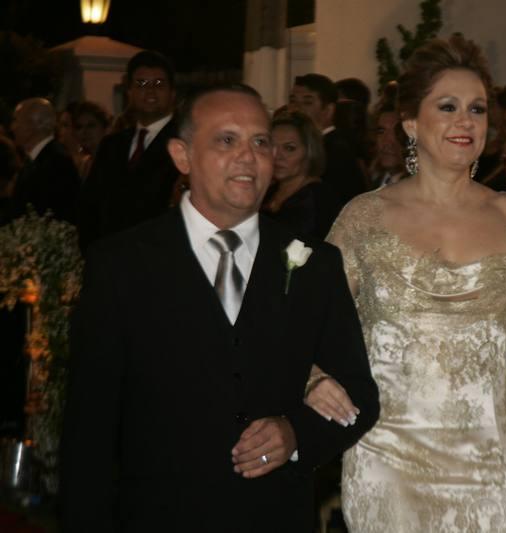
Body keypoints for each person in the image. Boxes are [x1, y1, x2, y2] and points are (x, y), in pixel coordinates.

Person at [59, 83, 380, 532]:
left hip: (274, 516)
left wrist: (296, 434)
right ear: (182, 156)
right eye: (227, 140)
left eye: (261, 142)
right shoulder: (122, 265)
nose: (248, 156)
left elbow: (359, 396)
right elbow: (89, 426)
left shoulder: (314, 264)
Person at [305, 35, 506, 532]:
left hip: (488, 463)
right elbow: (308, 319)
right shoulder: (364, 216)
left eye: (477, 109)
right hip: (386, 454)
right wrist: (310, 378)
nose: (466, 121)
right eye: (448, 106)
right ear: (411, 123)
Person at [78, 50, 180, 250]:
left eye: (158, 84)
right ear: (129, 93)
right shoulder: (112, 145)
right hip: (109, 257)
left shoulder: (185, 144)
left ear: (172, 93)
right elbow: (89, 206)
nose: (150, 91)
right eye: (141, 84)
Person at [264, 110, 341, 240]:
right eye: (272, 147)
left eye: (289, 148)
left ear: (310, 152)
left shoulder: (317, 199)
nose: (277, 156)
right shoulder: (268, 191)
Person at [290, 73, 366, 204]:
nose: (296, 109)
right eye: (293, 101)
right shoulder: (311, 145)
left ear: (328, 110)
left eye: (307, 102)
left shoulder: (336, 151)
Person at [5, 97, 80, 224]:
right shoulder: (36, 160)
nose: (12, 127)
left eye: (16, 120)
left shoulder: (56, 162)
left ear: (34, 124)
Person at [72, 101, 111, 179]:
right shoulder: (84, 165)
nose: (84, 131)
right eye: (79, 127)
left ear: (105, 128)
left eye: (91, 125)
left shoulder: (113, 161)